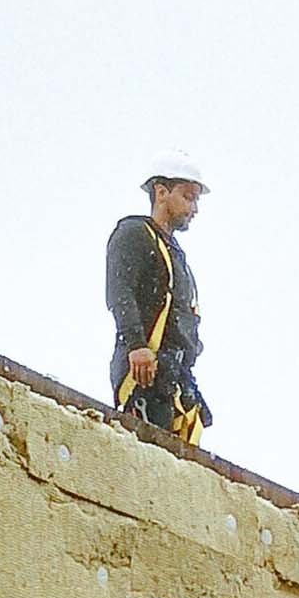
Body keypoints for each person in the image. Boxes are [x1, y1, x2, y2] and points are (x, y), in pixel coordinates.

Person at [106, 171, 211, 443]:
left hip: (172, 380)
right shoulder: (135, 234)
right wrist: (137, 345)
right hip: (145, 376)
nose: (194, 209)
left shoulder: (176, 256)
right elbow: (120, 292)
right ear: (161, 192)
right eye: (188, 197)